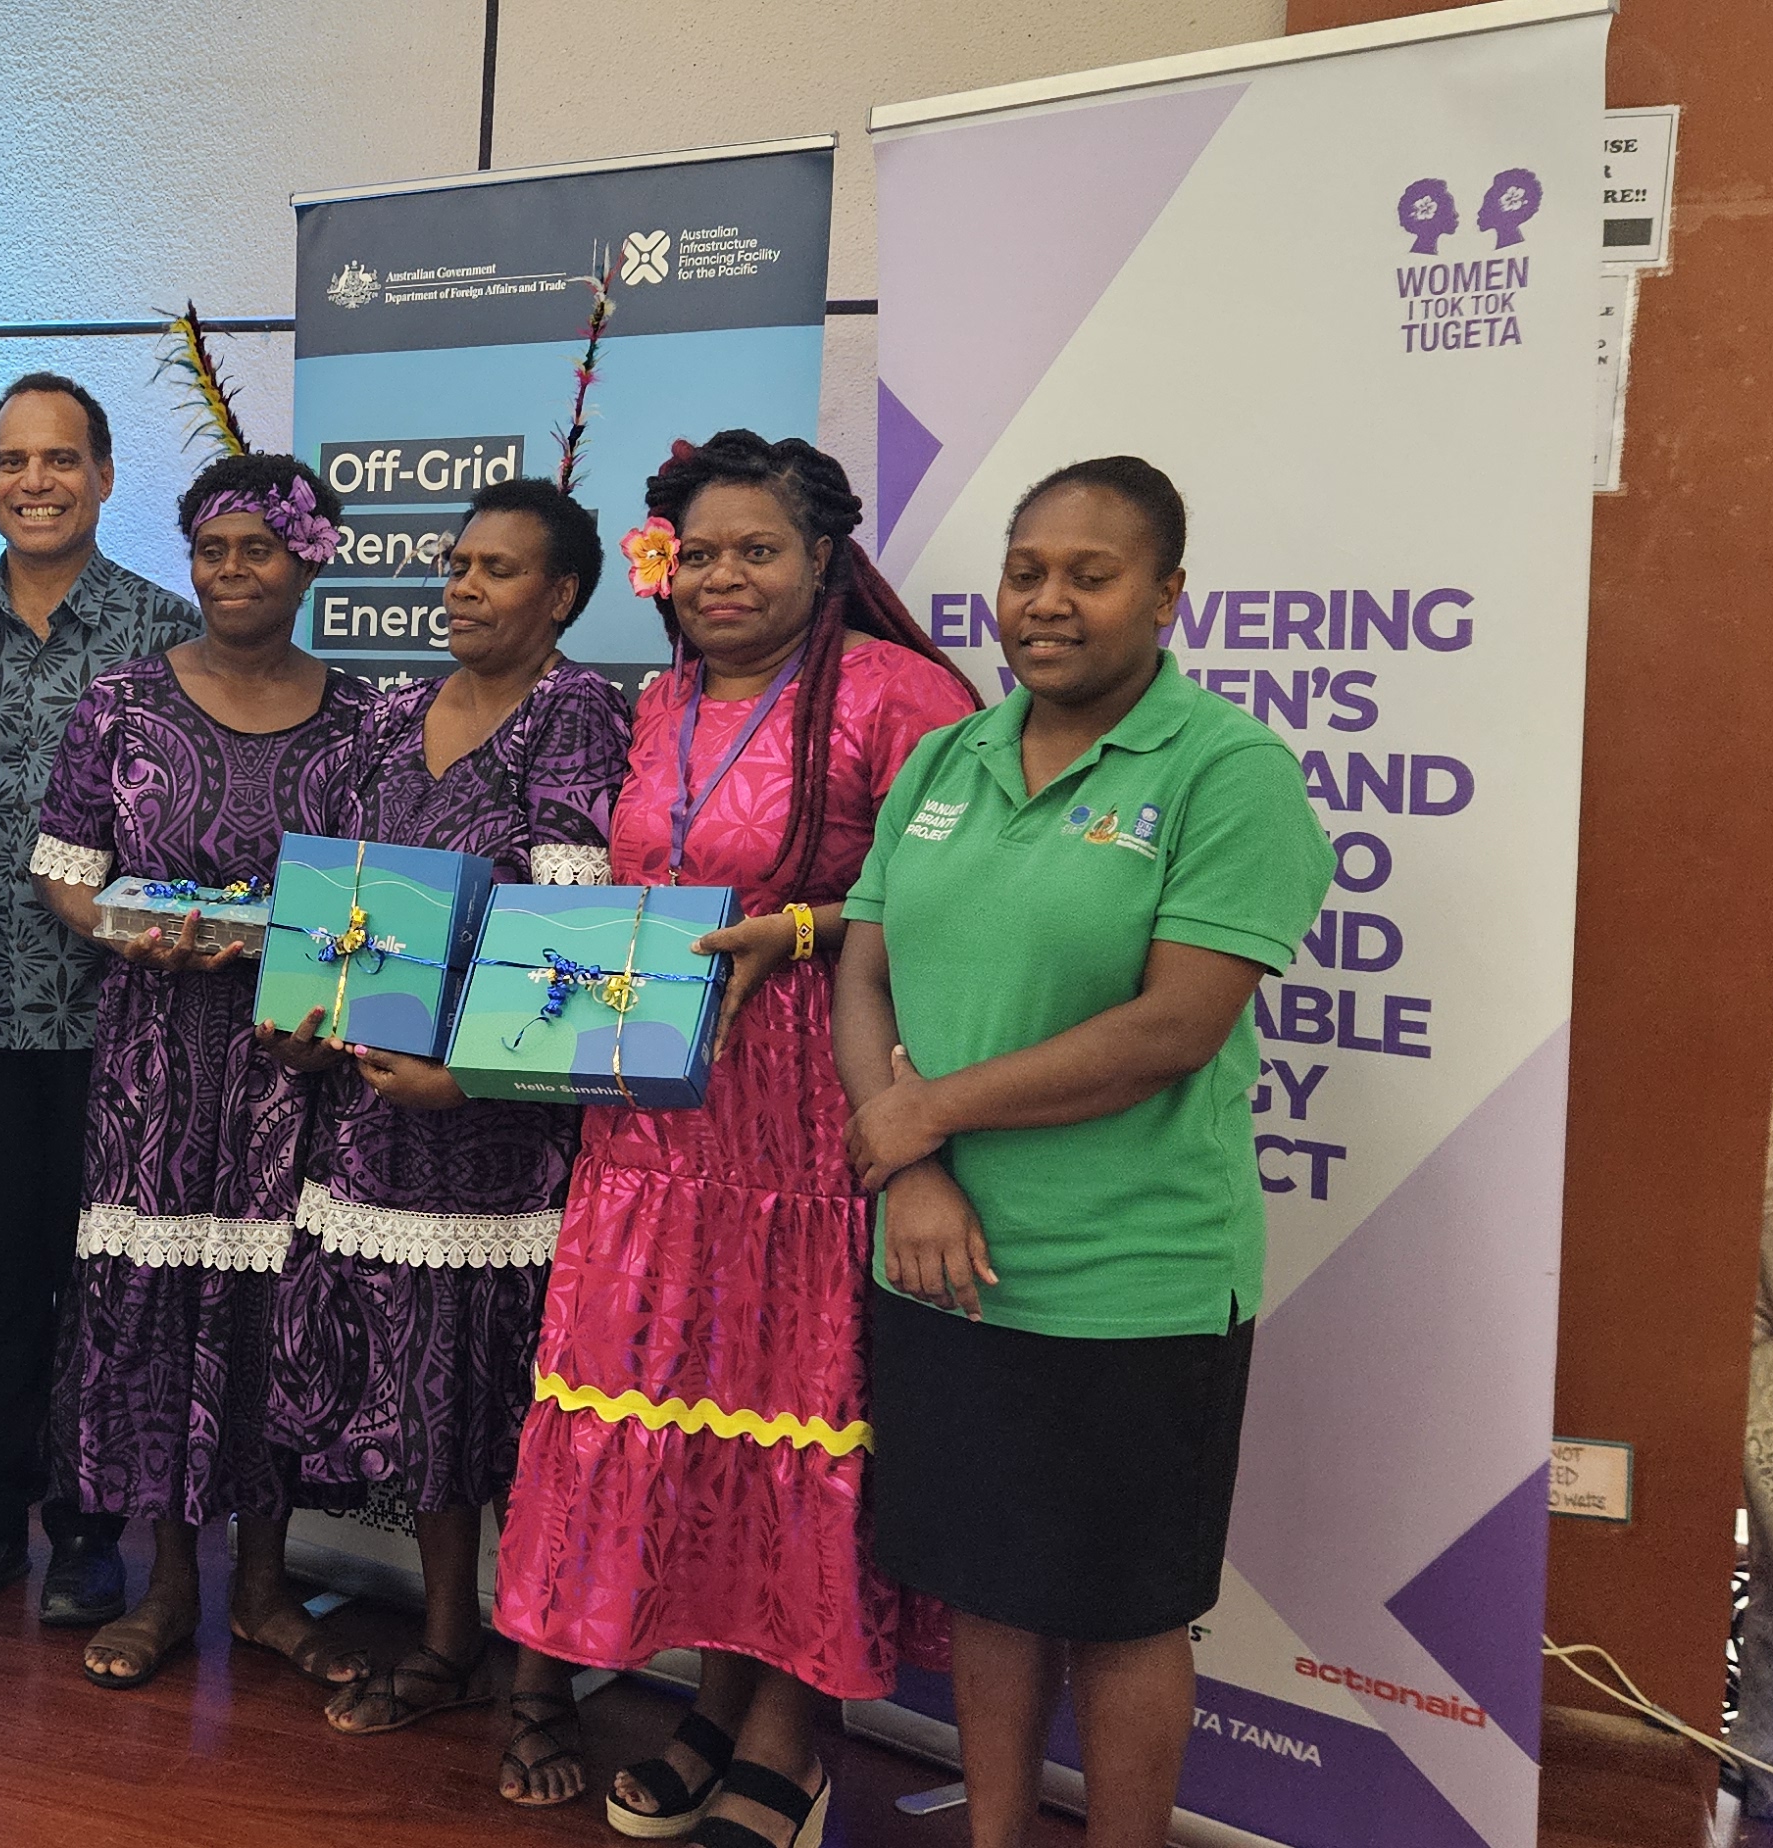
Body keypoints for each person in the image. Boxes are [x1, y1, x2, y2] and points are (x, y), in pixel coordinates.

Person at [835, 457, 1333, 1848]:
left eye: (1091, 575)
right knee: (989, 1587)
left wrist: (932, 1114)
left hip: (1134, 1273)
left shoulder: (1228, 773)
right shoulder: (948, 755)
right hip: (941, 1259)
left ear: (1169, 595)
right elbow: (864, 979)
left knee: (1121, 1609)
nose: (1047, 604)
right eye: (1026, 571)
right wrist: (915, 1169)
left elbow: (1171, 1027)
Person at [489, 431, 976, 1848]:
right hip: (653, 1134)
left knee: (793, 1427)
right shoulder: (663, 703)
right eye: (698, 551)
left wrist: (814, 928)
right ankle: (713, 1700)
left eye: (756, 548)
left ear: (826, 560)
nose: (721, 575)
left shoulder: (905, 698)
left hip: (810, 1131)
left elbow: (950, 905)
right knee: (689, 1423)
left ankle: (786, 1739)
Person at [262, 479, 631, 1802]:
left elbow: (574, 954)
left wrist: (464, 1080)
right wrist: (307, 1019)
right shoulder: (386, 716)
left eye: (499, 570)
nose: (465, 587)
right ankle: (444, 1640)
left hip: (505, 1135)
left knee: (523, 1410)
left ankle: (539, 1685)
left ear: (564, 596)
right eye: (457, 563)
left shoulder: (578, 713)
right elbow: (344, 908)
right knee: (423, 1393)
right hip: (375, 1118)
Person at [34, 451, 372, 1693]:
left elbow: (375, 907)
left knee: (273, 1315)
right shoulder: (121, 702)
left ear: (307, 561)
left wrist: (326, 1000)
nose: (232, 572)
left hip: (295, 1066)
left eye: (258, 550)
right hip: (154, 1061)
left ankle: (269, 1590)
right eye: (212, 550)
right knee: (160, 1313)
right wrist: (131, 928)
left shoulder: (365, 720)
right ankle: (170, 1586)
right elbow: (64, 867)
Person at [0, 373, 200, 1631]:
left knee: (108, 1287)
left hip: (132, 1022)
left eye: (61, 459)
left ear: (105, 475)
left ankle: (89, 1529)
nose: (36, 481)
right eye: (12, 459)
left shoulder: (168, 632)